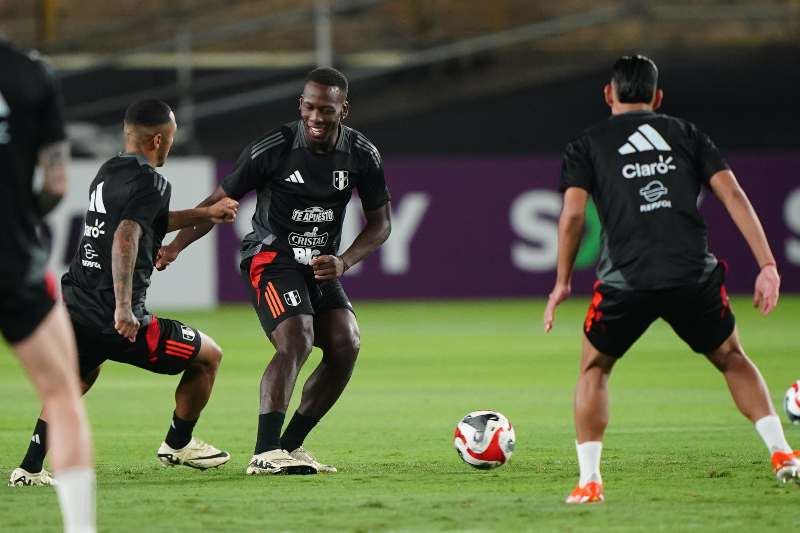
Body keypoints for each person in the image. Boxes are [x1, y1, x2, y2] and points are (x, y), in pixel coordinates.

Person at [544, 54, 798, 504]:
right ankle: (782, 454)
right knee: (732, 358)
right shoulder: (686, 135)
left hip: (626, 280)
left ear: (609, 94)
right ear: (658, 97)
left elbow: (572, 216)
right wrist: (768, 265)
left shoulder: (588, 143)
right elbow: (733, 194)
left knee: (595, 368)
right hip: (691, 275)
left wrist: (562, 281)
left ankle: (590, 482)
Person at [157, 67, 392, 475]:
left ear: (344, 110)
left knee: (346, 344)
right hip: (270, 257)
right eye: (311, 107)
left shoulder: (362, 155)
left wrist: (344, 261)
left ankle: (289, 446)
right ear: (300, 105)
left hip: (322, 265)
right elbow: (218, 202)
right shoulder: (274, 148)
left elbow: (381, 223)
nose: (317, 117)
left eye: (327, 109)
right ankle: (265, 451)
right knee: (296, 337)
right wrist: (176, 246)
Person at [10, 99, 238, 483]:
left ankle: (29, 467)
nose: (170, 145)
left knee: (78, 376)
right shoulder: (152, 181)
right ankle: (178, 443)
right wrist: (123, 308)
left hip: (75, 304)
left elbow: (145, 220)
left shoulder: (108, 170)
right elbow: (127, 234)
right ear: (157, 139)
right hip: (116, 319)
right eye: (170, 138)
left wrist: (203, 214)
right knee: (209, 356)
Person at [1, 39, 97, 532]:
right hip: (11, 260)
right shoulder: (32, 73)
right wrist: (20, 222)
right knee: (62, 395)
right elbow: (57, 182)